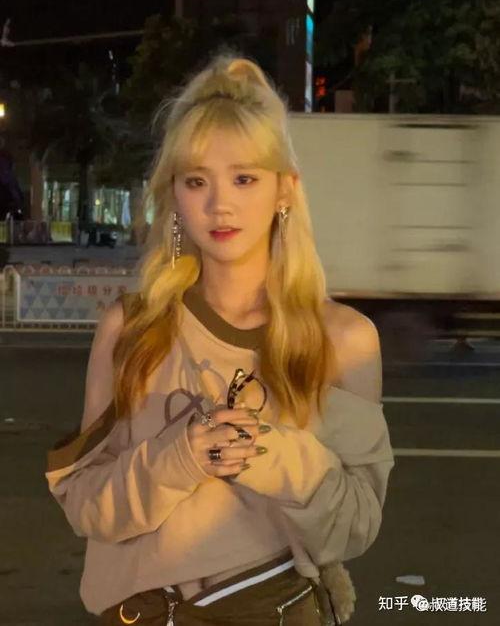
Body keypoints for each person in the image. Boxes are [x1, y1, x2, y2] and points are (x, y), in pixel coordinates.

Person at [45, 50, 395, 625]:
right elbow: (85, 505)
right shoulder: (131, 328)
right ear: (174, 195)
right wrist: (180, 458)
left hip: (275, 608)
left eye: (244, 178)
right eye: (197, 181)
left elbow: (354, 526)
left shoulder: (343, 339)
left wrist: (269, 452)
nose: (220, 204)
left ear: (285, 190)